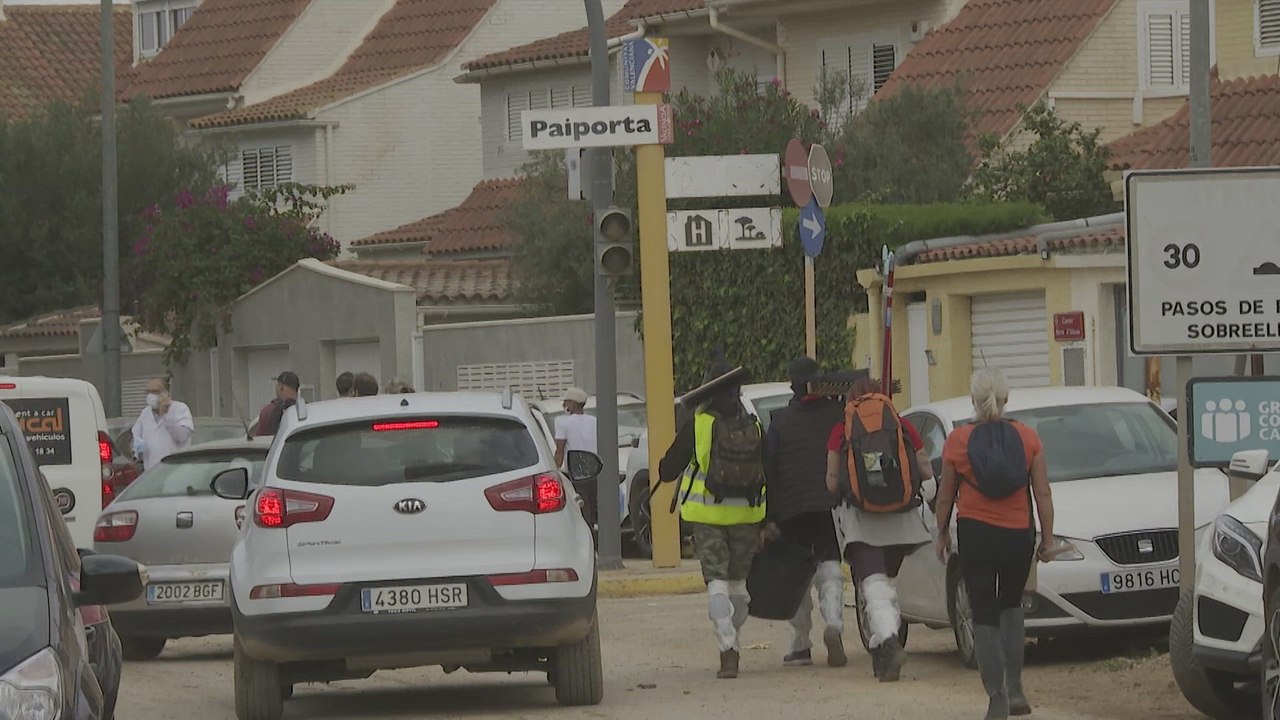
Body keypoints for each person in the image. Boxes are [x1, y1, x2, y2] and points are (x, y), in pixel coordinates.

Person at [935, 368, 1054, 720]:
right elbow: (1042, 493)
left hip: (976, 533)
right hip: (1018, 533)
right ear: (1006, 399)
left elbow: (945, 495)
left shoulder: (958, 440)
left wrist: (940, 532)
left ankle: (996, 695)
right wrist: (1046, 538)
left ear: (973, 400)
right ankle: (1016, 688)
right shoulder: (1028, 437)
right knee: (1011, 605)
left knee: (983, 611)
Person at [658, 358, 765, 680]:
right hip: (748, 514)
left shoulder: (698, 422)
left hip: (706, 516)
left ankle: (727, 647)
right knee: (738, 586)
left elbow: (667, 470)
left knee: (716, 583)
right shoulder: (754, 424)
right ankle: (733, 633)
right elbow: (767, 469)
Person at [825, 373, 933, 682]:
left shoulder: (840, 429)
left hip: (862, 518)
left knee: (873, 585)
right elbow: (925, 469)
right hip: (901, 518)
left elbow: (832, 481)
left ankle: (887, 640)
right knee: (888, 584)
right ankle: (883, 654)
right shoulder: (901, 423)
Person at [762, 357, 848, 668]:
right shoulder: (837, 414)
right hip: (828, 503)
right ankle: (835, 623)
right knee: (829, 565)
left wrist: (769, 517)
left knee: (797, 573)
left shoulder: (780, 420)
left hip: (791, 506)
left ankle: (801, 645)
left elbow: (769, 470)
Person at [130, 377, 194, 469]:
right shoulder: (145, 413)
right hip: (152, 472)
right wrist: (135, 449)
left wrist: (166, 415)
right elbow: (135, 436)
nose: (150, 395)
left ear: (166, 393)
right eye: (148, 392)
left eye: (155, 392)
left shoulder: (180, 409)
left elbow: (182, 437)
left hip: (176, 471)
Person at [553, 387, 597, 469]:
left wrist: (555, 469)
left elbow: (559, 451)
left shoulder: (563, 423)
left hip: (574, 471)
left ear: (572, 403)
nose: (563, 405)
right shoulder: (595, 421)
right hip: (594, 469)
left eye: (565, 402)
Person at [251, 372, 299, 438]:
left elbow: (260, 439)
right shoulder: (306, 410)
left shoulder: (268, 411)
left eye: (277, 385)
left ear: (281, 387)